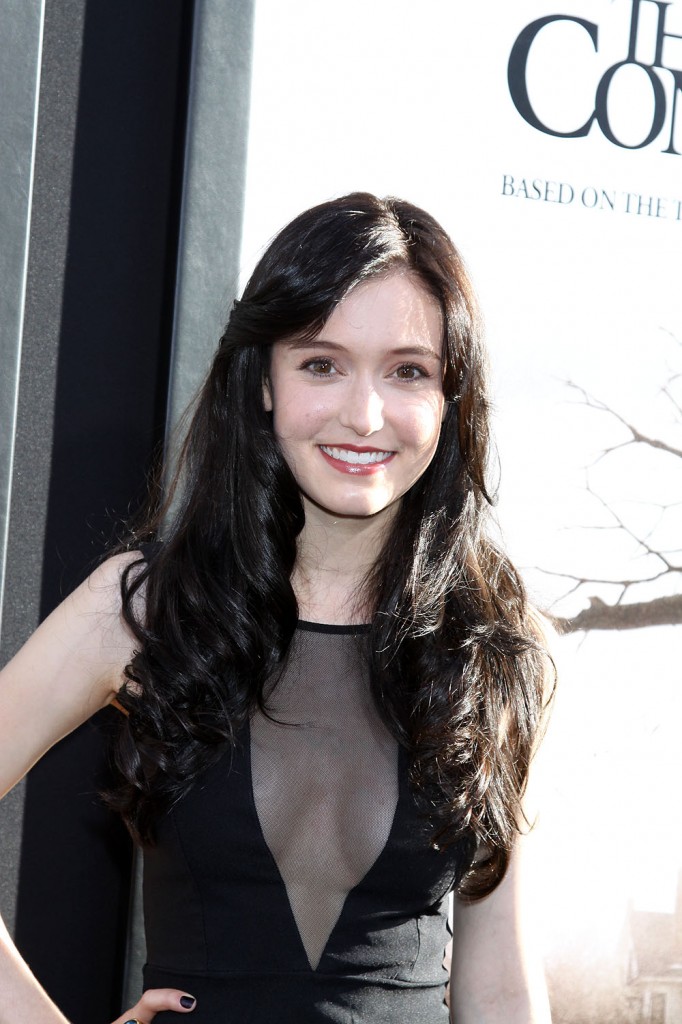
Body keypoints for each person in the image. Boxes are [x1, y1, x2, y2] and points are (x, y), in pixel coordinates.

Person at [0, 192, 554, 1023]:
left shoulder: (496, 649)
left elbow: (501, 979)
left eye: (409, 370)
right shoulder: (145, 609)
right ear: (262, 380)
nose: (364, 416)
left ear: (450, 399)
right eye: (321, 363)